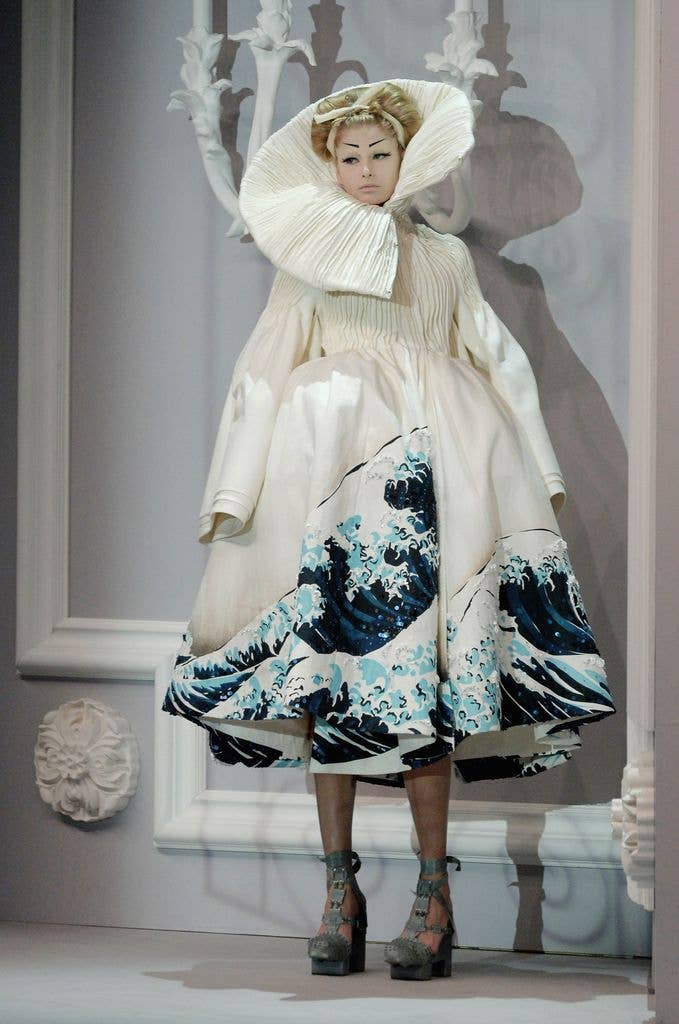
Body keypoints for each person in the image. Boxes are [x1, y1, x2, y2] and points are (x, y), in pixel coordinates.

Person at [161, 79, 615, 980]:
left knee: (427, 674)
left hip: (439, 465)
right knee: (329, 671)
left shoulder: (442, 258)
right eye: (349, 155)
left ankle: (432, 894)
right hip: (325, 470)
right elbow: (263, 367)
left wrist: (539, 467)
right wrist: (233, 488)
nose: (366, 169)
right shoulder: (307, 265)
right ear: (329, 166)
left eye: (380, 153)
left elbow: (496, 357)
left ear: (406, 160)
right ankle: (340, 889)